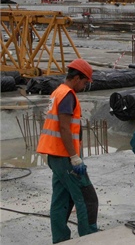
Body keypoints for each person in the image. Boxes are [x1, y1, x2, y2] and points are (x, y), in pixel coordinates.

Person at [36, 59, 99, 243]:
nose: (84, 86)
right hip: (64, 157)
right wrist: (74, 157)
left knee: (61, 200)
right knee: (87, 198)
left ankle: (61, 239)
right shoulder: (67, 95)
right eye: (85, 82)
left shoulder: (58, 92)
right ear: (77, 78)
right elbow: (64, 128)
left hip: (55, 156)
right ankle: (89, 237)